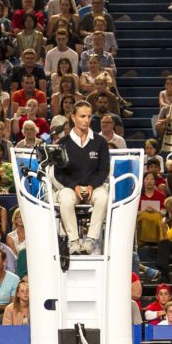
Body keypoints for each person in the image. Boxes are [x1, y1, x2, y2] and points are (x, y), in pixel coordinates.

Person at [54, 101, 110, 255]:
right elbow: (59, 173)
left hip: (94, 187)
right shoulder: (62, 143)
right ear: (73, 117)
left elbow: (104, 169)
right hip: (72, 188)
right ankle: (73, 241)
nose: (86, 120)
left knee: (103, 196)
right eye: (82, 116)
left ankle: (91, 239)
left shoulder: (100, 142)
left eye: (89, 116)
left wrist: (92, 186)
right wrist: (74, 186)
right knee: (65, 197)